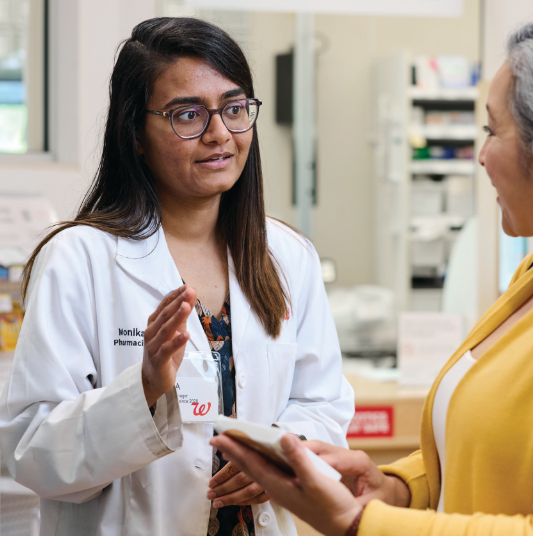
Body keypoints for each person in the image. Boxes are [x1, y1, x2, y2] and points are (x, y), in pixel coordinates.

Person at [211, 15, 533, 536]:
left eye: (492, 130)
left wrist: (359, 523)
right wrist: (400, 488)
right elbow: (497, 448)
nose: (481, 155)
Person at [0, 17, 354, 536]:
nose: (218, 134)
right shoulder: (78, 258)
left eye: (234, 109)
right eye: (187, 114)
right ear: (135, 134)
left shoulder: (287, 256)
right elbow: (30, 453)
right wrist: (142, 390)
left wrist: (280, 455)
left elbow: (323, 405)